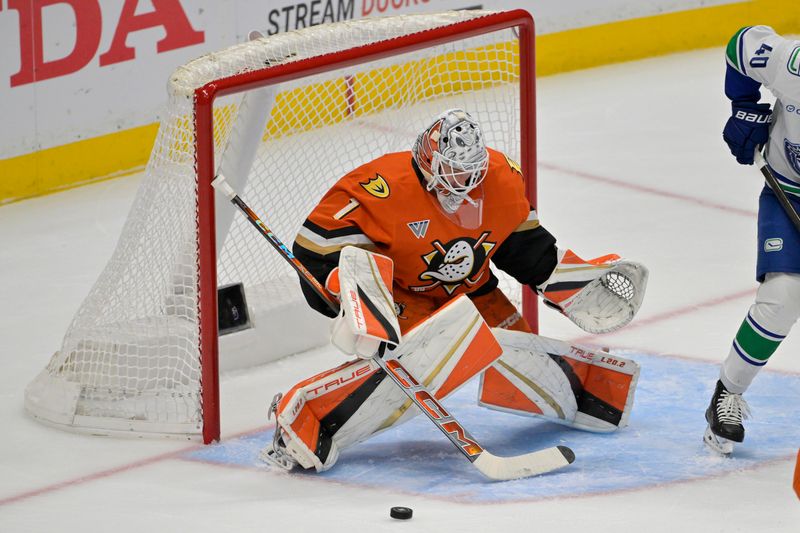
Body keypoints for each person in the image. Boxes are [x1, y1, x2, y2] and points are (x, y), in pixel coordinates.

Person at [262, 108, 648, 472]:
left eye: (470, 173)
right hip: (401, 296)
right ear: (427, 164)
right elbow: (314, 253)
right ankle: (305, 417)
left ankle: (583, 398)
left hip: (472, 291)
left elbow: (524, 249)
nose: (463, 184)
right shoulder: (380, 189)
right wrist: (353, 299)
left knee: (519, 356)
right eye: (452, 171)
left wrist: (572, 285)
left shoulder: (501, 178)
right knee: (423, 367)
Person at [704, 26, 800, 455]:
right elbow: (740, 45)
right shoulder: (793, 64)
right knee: (783, 297)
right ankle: (727, 393)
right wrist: (744, 107)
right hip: (789, 190)